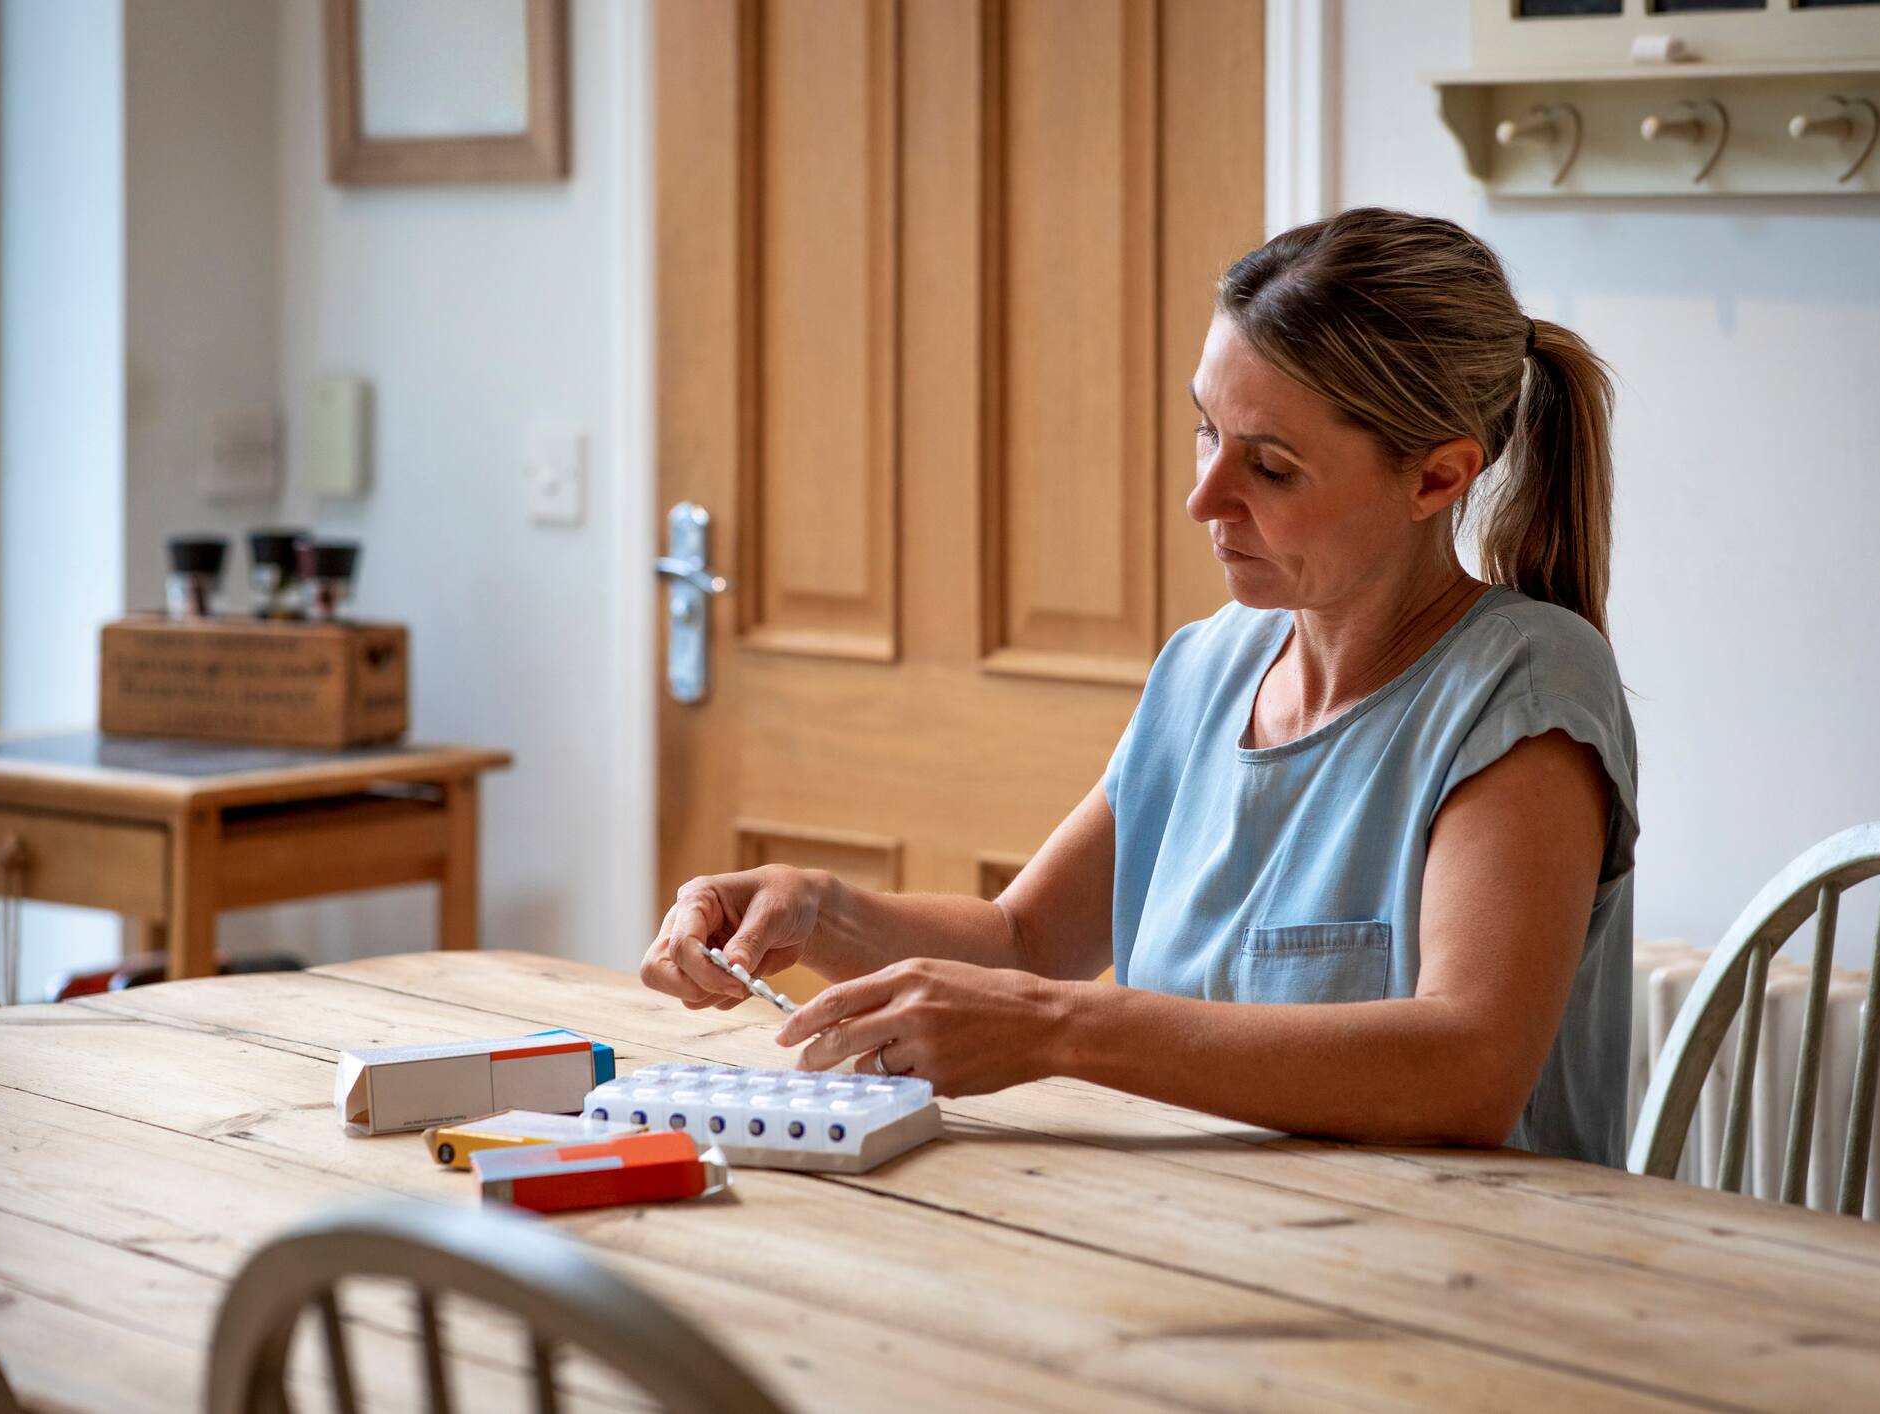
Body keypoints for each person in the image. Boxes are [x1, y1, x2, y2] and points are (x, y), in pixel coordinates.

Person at [641, 207, 1639, 1165]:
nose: (1202, 498)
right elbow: (1029, 942)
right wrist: (817, 911)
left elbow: (1467, 1067)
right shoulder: (1207, 668)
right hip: (1194, 1245)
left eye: (1272, 467)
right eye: (1206, 430)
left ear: (1437, 478)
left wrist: (1061, 1028)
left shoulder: (1527, 686)